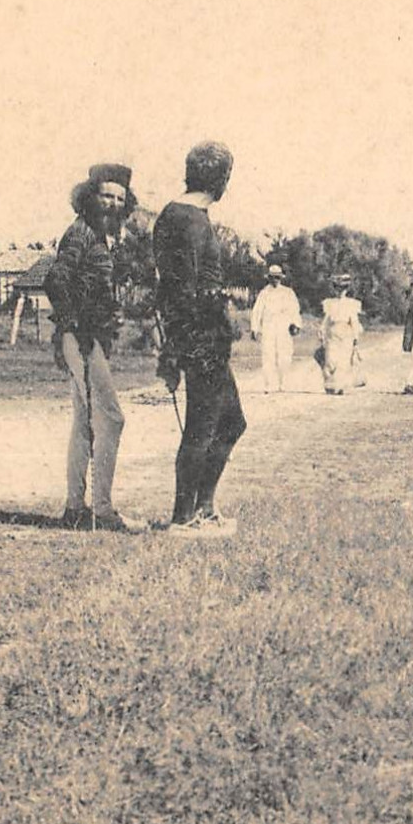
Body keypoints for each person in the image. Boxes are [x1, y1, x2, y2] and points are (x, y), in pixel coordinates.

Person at [154, 141, 246, 537]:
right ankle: (183, 517)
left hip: (203, 336)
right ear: (221, 178)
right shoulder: (189, 220)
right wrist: (175, 352)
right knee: (202, 427)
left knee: (230, 423)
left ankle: (203, 509)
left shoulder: (184, 215)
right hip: (199, 339)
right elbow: (182, 292)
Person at [43, 164, 136, 532]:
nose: (113, 204)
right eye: (106, 195)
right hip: (82, 339)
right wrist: (75, 323)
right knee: (111, 419)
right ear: (90, 196)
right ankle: (102, 509)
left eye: (120, 198)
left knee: (84, 423)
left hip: (88, 338)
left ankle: (75, 508)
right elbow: (56, 280)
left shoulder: (99, 238)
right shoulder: (80, 234)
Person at [249, 264, 303, 394]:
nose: (275, 280)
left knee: (284, 356)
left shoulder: (288, 292)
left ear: (281, 278)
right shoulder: (264, 293)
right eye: (272, 278)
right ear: (268, 278)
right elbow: (257, 311)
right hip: (268, 327)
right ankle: (269, 384)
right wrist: (255, 328)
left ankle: (283, 383)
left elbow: (295, 310)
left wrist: (296, 324)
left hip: (284, 327)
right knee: (268, 356)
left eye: (277, 278)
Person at [320, 273, 364, 394]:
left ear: (346, 290)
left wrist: (355, 337)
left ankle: (340, 386)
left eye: (342, 289)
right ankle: (330, 384)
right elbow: (326, 320)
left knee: (343, 361)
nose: (340, 291)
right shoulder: (330, 303)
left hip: (346, 334)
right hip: (332, 334)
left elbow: (354, 321)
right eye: (337, 288)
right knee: (331, 359)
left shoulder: (351, 304)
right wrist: (322, 332)